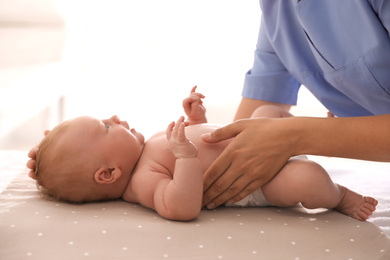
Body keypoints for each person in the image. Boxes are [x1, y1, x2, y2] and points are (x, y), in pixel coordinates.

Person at [26, 86, 377, 221]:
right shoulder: (142, 182)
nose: (115, 118)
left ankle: (315, 133)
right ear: (108, 174)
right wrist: (185, 158)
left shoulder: (145, 147)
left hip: (255, 142)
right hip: (257, 183)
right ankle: (339, 197)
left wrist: (198, 121)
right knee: (307, 179)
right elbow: (181, 206)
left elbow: (204, 138)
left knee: (266, 113)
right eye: (105, 127)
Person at [201, 0, 390, 210]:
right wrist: (214, 157)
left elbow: (281, 135)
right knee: (265, 114)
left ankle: (341, 196)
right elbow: (252, 118)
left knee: (306, 179)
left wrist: (302, 136)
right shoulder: (277, 9)